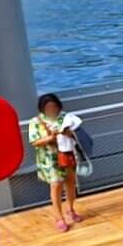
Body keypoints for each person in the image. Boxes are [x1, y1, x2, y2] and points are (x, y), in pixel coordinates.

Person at [27, 92, 81, 232]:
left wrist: (69, 133)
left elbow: (77, 133)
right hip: (49, 158)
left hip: (66, 154)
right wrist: (50, 138)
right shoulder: (36, 122)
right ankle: (59, 217)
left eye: (54, 107)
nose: (52, 110)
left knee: (70, 182)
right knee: (56, 185)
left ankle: (71, 209)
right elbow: (34, 141)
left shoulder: (65, 117)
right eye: (48, 107)